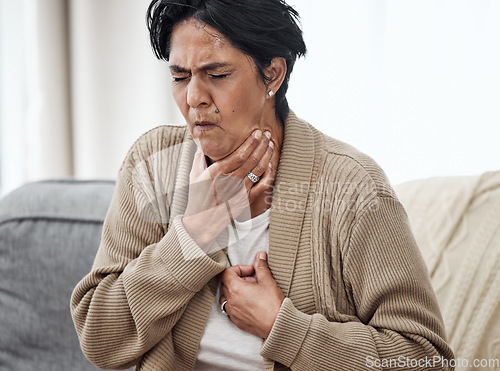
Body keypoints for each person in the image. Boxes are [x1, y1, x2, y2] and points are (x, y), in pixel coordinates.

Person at [71, 0, 455, 369]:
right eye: (179, 76)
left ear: (272, 73)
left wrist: (284, 328)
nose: (193, 98)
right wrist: (193, 236)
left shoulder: (352, 188)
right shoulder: (153, 164)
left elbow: (425, 359)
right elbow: (100, 339)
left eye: (217, 74)